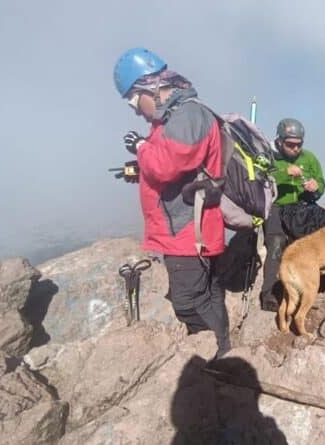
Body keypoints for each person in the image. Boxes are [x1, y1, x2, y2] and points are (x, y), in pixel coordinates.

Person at [113, 47, 230, 358]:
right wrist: (140, 168)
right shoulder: (177, 117)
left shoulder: (188, 115)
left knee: (189, 302)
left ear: (150, 87)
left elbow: (166, 165)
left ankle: (214, 358)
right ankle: (222, 351)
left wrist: (141, 148)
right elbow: (179, 167)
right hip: (192, 227)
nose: (136, 110)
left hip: (187, 232)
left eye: (134, 100)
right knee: (206, 295)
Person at [259, 118, 325, 311]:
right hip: (276, 206)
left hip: (302, 206)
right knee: (276, 244)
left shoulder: (309, 158)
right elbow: (260, 178)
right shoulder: (268, 156)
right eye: (290, 144)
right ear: (279, 141)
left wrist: (316, 188)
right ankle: (269, 295)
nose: (295, 149)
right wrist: (285, 172)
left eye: (299, 144)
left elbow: (320, 183)